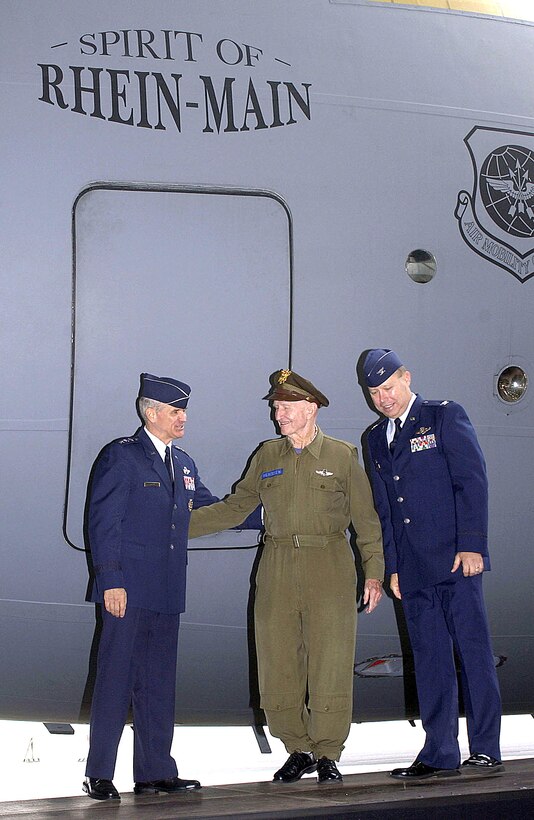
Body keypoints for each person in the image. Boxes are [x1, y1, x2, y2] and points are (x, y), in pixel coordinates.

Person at [188, 369, 384, 784]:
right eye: (276, 408)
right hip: (276, 564)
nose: (279, 415)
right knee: (277, 664)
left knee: (330, 663)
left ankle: (328, 751)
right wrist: (175, 525)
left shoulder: (342, 456)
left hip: (328, 563)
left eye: (287, 407)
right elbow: (234, 507)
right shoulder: (267, 455)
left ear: (311, 408)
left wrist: (374, 574)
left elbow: (367, 522)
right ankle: (298, 748)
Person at [363, 349, 503, 781]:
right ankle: (440, 751)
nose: (384, 398)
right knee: (430, 660)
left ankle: (485, 748)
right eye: (375, 392)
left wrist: (473, 544)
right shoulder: (373, 439)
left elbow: (471, 480)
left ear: (406, 377)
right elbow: (386, 508)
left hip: (456, 559)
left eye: (389, 387)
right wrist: (394, 566)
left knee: (473, 651)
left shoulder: (443, 416)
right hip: (414, 567)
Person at [83, 373, 220, 801]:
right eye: (175, 411)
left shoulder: (184, 464)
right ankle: (99, 773)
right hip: (126, 591)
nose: (183, 418)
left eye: (184, 411)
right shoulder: (121, 457)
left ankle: (155, 771)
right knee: (115, 681)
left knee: (159, 683)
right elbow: (103, 524)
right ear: (151, 412)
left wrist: (271, 507)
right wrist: (111, 581)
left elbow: (213, 509)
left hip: (166, 591)